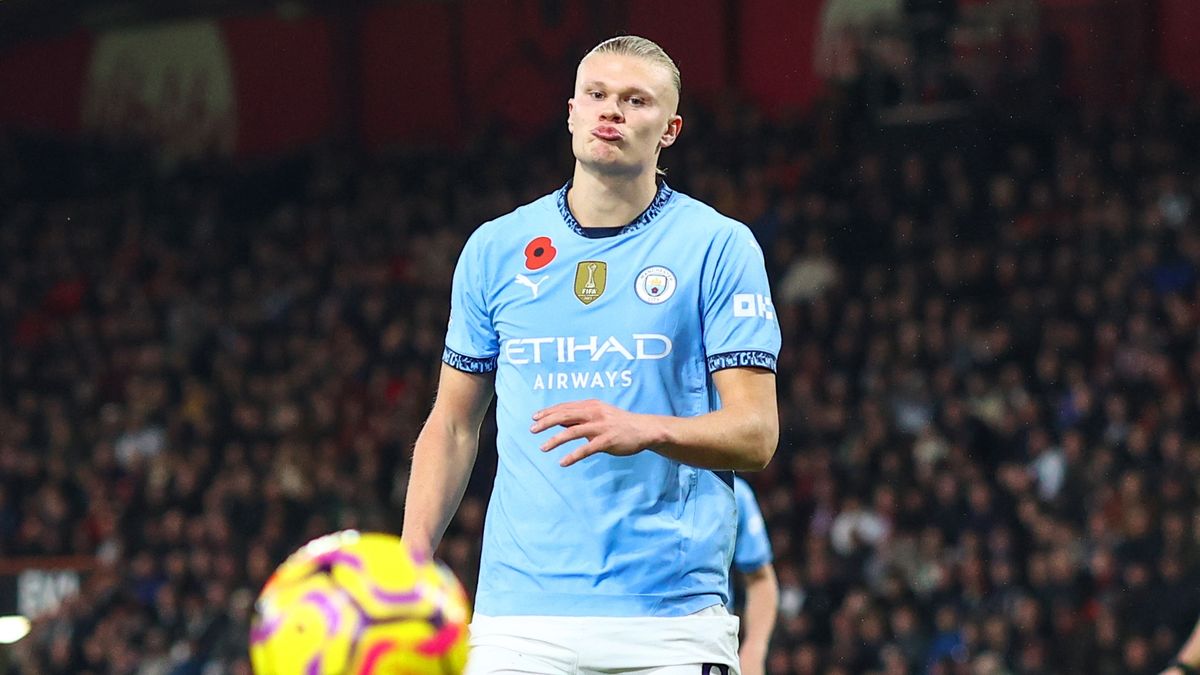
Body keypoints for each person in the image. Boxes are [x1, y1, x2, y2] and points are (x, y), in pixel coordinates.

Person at [402, 34, 781, 675]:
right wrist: (410, 561)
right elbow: (454, 422)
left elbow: (757, 432)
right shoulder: (495, 250)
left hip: (671, 623)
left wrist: (647, 429)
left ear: (670, 130)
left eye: (636, 101)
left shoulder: (718, 247)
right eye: (597, 95)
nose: (612, 111)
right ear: (572, 112)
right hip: (517, 623)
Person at [731, 476, 779, 675]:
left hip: (707, 650)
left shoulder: (731, 491)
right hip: (626, 640)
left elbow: (760, 579)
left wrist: (753, 650)